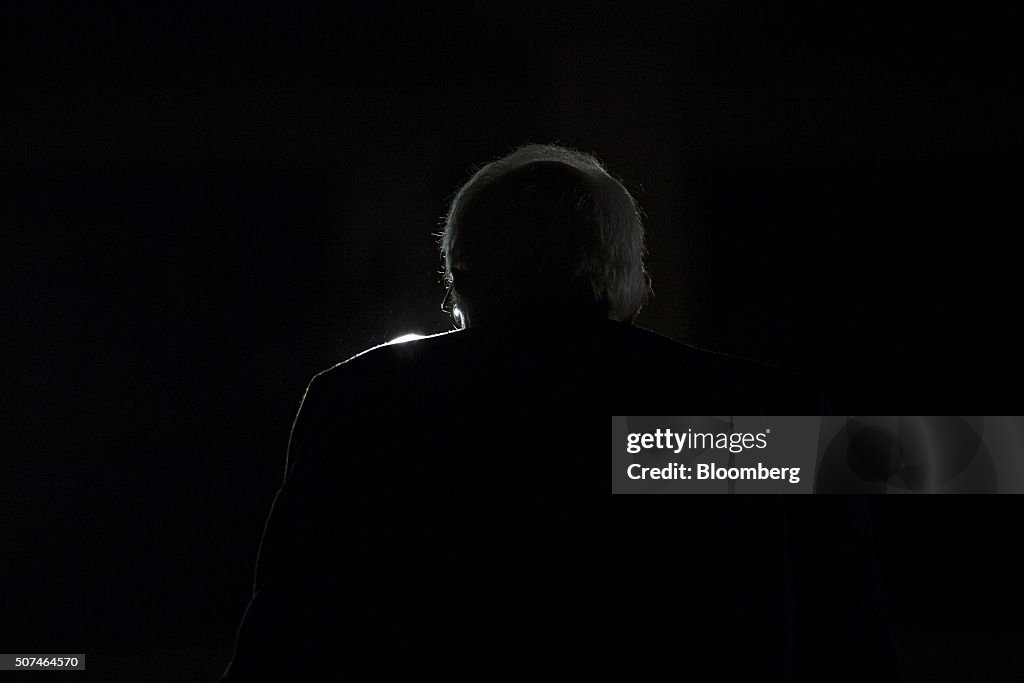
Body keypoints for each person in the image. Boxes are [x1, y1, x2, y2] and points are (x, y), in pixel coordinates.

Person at [222, 144, 894, 680]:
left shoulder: (368, 408)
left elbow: (287, 646)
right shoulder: (753, 415)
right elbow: (845, 642)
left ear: (462, 277)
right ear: (628, 275)